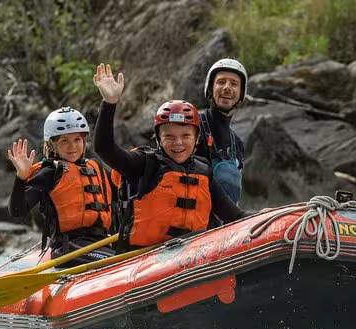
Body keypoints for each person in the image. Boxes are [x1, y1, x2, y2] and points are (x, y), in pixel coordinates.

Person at [92, 64, 249, 251]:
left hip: (189, 255)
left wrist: (271, 217)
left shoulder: (204, 172)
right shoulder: (145, 164)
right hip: (143, 260)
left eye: (185, 136)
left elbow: (235, 215)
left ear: (197, 139)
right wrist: (109, 103)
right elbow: (104, 148)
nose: (178, 143)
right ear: (158, 138)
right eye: (169, 137)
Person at [7, 107, 117, 266]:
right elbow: (17, 211)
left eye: (77, 140)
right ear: (52, 145)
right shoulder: (50, 173)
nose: (72, 146)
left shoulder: (96, 168)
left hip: (102, 244)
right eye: (64, 140)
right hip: (69, 249)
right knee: (115, 260)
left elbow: (124, 197)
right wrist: (21, 177)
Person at [196, 58, 247, 205]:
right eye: (221, 82)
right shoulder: (193, 127)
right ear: (210, 88)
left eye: (234, 84)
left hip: (227, 224)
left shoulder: (237, 143)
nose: (227, 88)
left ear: (241, 92)